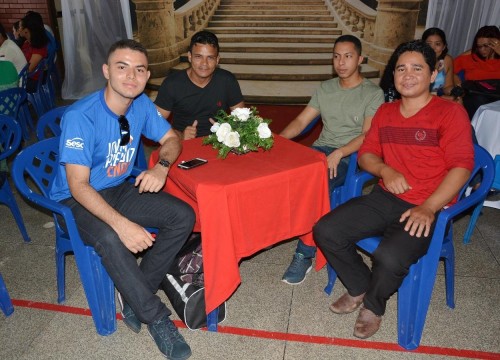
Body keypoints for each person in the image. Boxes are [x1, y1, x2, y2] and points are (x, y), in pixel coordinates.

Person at [313, 40, 474, 340]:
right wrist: (385, 169)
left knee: (389, 256)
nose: (407, 75)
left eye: (417, 68)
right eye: (401, 68)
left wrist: (429, 207)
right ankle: (360, 285)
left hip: (427, 204)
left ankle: (374, 305)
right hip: (386, 196)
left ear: (433, 73)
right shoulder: (386, 113)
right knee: (326, 229)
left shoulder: (449, 114)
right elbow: (367, 155)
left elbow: (462, 168)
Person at [49, 39, 195, 360]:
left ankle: (134, 293)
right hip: (73, 201)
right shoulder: (81, 117)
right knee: (110, 236)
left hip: (117, 188)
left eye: (139, 69)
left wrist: (162, 166)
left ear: (147, 76)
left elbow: (172, 138)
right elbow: (77, 185)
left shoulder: (141, 104)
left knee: (183, 216)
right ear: (106, 71)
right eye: (122, 67)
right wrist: (123, 225)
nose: (131, 76)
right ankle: (154, 316)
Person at [279, 34, 384, 285]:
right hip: (320, 150)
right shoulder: (325, 88)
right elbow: (302, 121)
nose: (341, 62)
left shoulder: (372, 93)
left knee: (319, 184)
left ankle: (305, 252)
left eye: (348, 56)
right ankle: (281, 227)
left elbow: (368, 135)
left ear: (359, 59)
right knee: (280, 174)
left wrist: (341, 151)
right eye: (336, 56)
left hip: (351, 154)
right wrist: (279, 140)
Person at [155, 30, 244, 140]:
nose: (204, 63)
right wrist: (180, 135)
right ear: (189, 57)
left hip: (221, 145)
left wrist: (228, 131)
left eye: (210, 57)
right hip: (183, 145)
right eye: (198, 56)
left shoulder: (227, 81)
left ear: (217, 60)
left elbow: (242, 121)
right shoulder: (172, 84)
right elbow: (153, 125)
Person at [454, 25, 500, 119]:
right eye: (479, 46)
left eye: (486, 46)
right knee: (478, 102)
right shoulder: (470, 58)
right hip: (475, 96)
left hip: (497, 98)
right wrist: (454, 77)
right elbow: (448, 68)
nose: (482, 50)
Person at [421, 27, 458, 101]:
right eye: (428, 44)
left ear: (443, 47)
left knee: (457, 100)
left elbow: (448, 86)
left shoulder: (446, 60)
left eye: (437, 44)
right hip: (419, 98)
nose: (432, 48)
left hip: (437, 98)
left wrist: (456, 92)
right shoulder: (417, 60)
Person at [19, 13, 49, 92]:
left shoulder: (38, 47)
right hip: (27, 77)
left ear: (26, 30)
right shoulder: (27, 43)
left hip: (33, 81)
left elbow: (29, 69)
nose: (19, 29)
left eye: (20, 27)